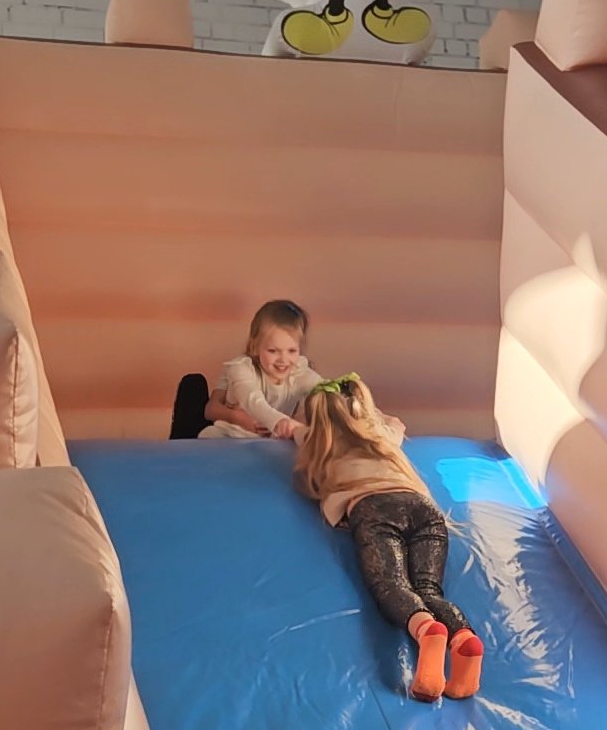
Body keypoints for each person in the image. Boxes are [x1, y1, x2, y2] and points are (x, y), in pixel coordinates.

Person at [294, 374, 484, 703]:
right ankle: (464, 641)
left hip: (374, 509)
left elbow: (295, 433)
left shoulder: (320, 443)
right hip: (425, 509)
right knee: (428, 589)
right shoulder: (380, 437)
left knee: (392, 586)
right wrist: (372, 415)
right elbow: (397, 424)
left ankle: (427, 631)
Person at [170, 300, 322, 441]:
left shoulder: (299, 371)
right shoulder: (240, 369)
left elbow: (324, 389)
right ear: (255, 347)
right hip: (229, 438)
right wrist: (278, 422)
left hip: (267, 443)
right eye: (273, 351)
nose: (283, 359)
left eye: (292, 351)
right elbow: (251, 400)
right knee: (194, 386)